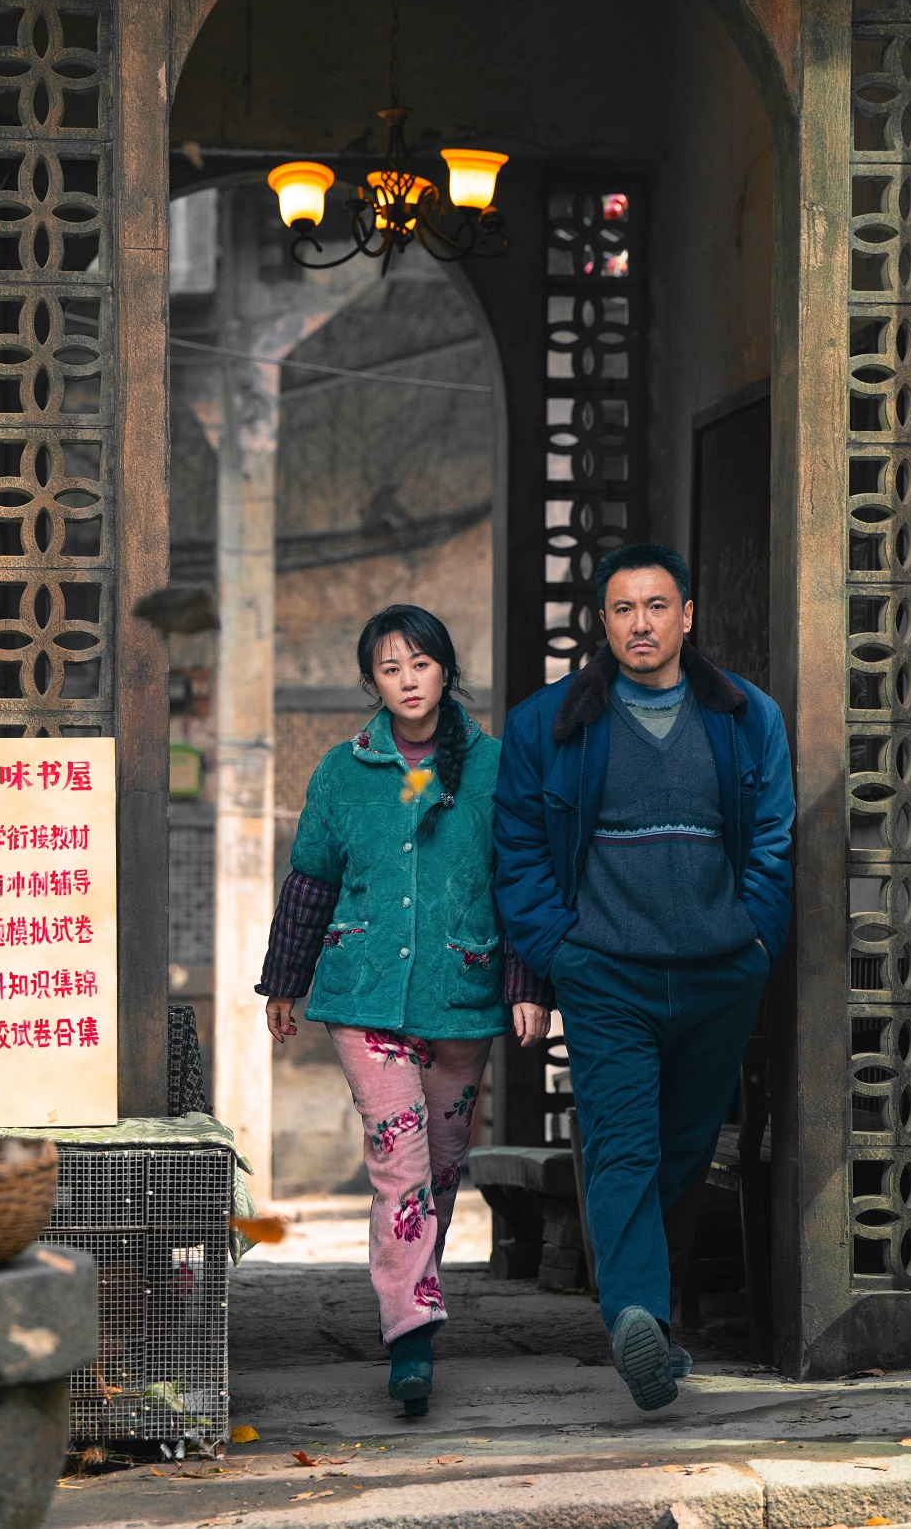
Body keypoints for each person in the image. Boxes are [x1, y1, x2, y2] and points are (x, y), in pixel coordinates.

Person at [493, 544, 793, 1411]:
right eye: (623, 609)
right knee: (622, 1145)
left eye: (656, 606)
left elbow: (773, 836)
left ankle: (651, 1319)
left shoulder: (746, 716)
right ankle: (633, 1313)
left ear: (686, 615)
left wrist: (753, 939)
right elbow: (518, 851)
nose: (640, 624)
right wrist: (561, 952)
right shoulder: (547, 724)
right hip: (605, 975)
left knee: (684, 1150)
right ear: (603, 620)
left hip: (718, 972)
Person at [258, 604, 551, 1418]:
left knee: (441, 1169)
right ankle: (411, 1337)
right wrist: (283, 980)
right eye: (390, 668)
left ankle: (411, 1300)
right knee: (400, 1162)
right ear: (372, 682)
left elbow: (521, 882)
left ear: (445, 671)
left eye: (420, 664)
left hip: (460, 993)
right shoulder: (341, 770)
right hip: (364, 996)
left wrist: (527, 985)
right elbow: (311, 880)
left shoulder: (495, 767)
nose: (408, 680)